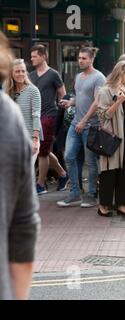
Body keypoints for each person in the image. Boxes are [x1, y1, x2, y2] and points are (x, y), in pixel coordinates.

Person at [0, 31, 40, 300]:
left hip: (26, 137)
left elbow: (37, 114)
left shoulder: (30, 93)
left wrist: (35, 137)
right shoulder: (6, 110)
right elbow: (24, 228)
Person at [57, 47, 106, 208]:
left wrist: (84, 121)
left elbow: (97, 101)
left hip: (90, 126)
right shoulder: (78, 76)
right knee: (69, 157)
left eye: (84, 58)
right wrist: (71, 102)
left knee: (90, 162)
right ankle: (75, 193)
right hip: (75, 123)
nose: (80, 61)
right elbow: (80, 97)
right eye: (79, 58)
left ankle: (92, 194)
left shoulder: (99, 77)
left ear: (91, 59)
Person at [96, 61, 125, 217]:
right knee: (109, 170)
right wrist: (118, 102)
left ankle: (122, 204)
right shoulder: (104, 91)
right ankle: (104, 205)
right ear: (122, 73)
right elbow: (103, 115)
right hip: (111, 136)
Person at [29, 44, 68, 194]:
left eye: (34, 56)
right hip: (34, 117)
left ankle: (40, 185)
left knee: (42, 152)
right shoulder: (31, 76)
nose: (31, 59)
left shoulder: (53, 74)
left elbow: (62, 95)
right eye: (31, 56)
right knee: (42, 150)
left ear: (43, 56)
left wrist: (60, 112)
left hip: (49, 116)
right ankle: (63, 175)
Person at [5, 59, 42, 164]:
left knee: (24, 175)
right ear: (11, 73)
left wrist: (35, 140)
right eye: (17, 71)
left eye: (23, 71)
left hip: (29, 139)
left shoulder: (33, 91)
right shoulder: (6, 90)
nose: (21, 74)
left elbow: (36, 116)